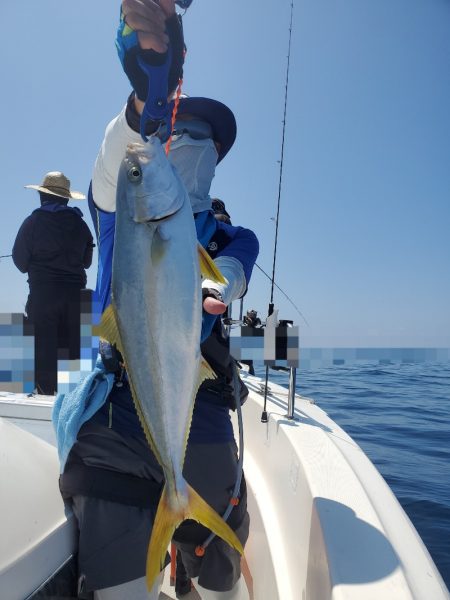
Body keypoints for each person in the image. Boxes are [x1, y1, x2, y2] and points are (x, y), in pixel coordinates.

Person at [53, 1, 259, 599]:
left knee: (222, 555)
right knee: (116, 579)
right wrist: (144, 102)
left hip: (201, 408)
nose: (189, 142)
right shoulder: (123, 211)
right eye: (181, 130)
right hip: (122, 407)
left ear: (215, 160)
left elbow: (233, 268)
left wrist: (217, 285)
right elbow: (114, 169)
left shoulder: (227, 233)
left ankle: (195, 568)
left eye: (204, 140)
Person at [12, 171, 94, 395]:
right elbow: (87, 262)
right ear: (66, 198)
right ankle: (74, 400)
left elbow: (20, 262)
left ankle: (45, 393)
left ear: (43, 196)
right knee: (74, 352)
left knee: (43, 350)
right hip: (75, 297)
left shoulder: (32, 222)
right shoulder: (81, 225)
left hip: (43, 296)